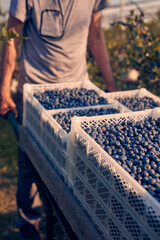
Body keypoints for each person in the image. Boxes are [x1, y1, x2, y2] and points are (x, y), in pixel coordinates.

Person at [0, 0, 117, 239]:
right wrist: (3, 89)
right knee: (29, 164)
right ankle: (29, 227)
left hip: (78, 96)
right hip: (34, 95)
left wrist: (110, 84)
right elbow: (11, 35)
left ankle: (71, 221)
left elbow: (94, 34)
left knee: (76, 166)